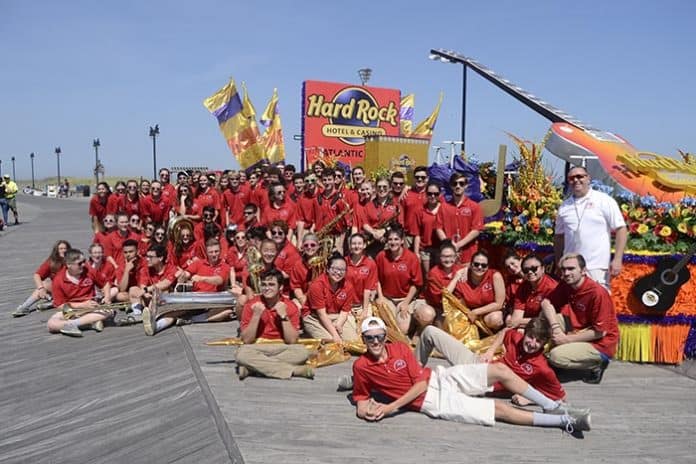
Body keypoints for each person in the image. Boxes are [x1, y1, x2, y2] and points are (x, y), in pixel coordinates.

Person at [352, 317, 590, 432]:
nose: (375, 341)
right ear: (363, 339)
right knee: (498, 410)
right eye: (370, 337)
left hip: (437, 378)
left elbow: (421, 382)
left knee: (500, 369)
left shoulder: (400, 349)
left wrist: (390, 407)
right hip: (434, 402)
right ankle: (564, 421)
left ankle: (550, 406)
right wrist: (367, 412)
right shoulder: (361, 367)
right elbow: (361, 400)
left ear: (385, 336)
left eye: (379, 336)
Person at [415, 318, 566, 405]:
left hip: (478, 383)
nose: (532, 343)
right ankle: (414, 373)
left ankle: (410, 385)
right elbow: (505, 332)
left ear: (544, 343)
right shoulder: (517, 338)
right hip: (476, 363)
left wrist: (529, 399)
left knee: (434, 385)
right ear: (525, 333)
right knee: (430, 331)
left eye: (538, 341)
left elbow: (561, 398)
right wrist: (491, 350)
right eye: (530, 337)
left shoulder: (542, 368)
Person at [540, 253, 619, 384]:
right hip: (578, 329)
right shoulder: (567, 284)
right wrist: (555, 328)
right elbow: (546, 303)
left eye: (571, 269)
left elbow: (600, 332)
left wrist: (566, 339)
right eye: (564, 269)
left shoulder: (597, 293)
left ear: (583, 271)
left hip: (599, 342)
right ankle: (551, 357)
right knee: (546, 320)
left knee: (556, 357)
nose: (566, 273)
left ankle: (596, 364)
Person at [554, 165, 627, 289]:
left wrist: (618, 259)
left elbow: (621, 229)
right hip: (571, 267)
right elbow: (559, 237)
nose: (576, 180)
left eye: (579, 176)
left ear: (588, 178)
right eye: (571, 178)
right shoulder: (564, 207)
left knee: (598, 304)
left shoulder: (604, 200)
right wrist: (558, 262)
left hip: (597, 265)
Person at [235, 269, 314, 380]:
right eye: (264, 285)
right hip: (256, 346)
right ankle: (294, 371)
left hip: (282, 346)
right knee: (241, 354)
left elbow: (291, 340)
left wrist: (283, 315)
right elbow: (247, 340)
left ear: (280, 287)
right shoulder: (252, 304)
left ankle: (252, 369)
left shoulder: (290, 306)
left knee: (302, 352)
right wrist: (256, 315)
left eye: (271, 285)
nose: (267, 288)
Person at [46, 249, 114, 337]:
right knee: (51, 324)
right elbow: (59, 305)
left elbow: (105, 283)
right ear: (68, 265)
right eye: (79, 263)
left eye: (84, 261)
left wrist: (107, 297)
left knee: (109, 311)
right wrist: (82, 305)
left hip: (92, 307)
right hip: (72, 310)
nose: (83, 265)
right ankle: (87, 323)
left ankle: (72, 324)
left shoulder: (89, 270)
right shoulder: (58, 280)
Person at [303, 254, 359, 343]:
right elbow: (321, 314)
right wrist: (335, 335)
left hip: (336, 316)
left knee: (354, 342)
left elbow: (345, 310)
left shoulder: (348, 286)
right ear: (328, 269)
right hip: (315, 317)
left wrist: (339, 325)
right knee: (332, 343)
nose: (338, 272)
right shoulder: (317, 285)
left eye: (342, 270)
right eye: (335, 269)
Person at [446, 250, 506, 332]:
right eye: (476, 264)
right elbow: (447, 295)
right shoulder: (463, 276)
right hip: (469, 312)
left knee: (495, 319)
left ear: (488, 267)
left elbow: (499, 304)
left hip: (489, 312)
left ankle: (494, 334)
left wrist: (476, 312)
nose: (480, 267)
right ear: (471, 264)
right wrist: (456, 277)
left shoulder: (495, 276)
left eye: (484, 265)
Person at [13, 240, 72, 316]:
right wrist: (41, 288)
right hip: (60, 289)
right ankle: (25, 307)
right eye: (61, 249)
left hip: (73, 289)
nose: (64, 250)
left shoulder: (73, 259)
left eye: (65, 248)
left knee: (47, 285)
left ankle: (52, 303)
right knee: (43, 285)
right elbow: (37, 275)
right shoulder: (52, 261)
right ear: (56, 250)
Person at [436, 172, 483, 265]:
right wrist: (449, 245)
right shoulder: (443, 207)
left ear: (466, 186)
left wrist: (458, 245)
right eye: (455, 183)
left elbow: (476, 230)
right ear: (451, 186)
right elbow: (438, 228)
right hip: (449, 257)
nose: (458, 186)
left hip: (469, 254)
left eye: (461, 183)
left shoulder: (474, 207)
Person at [509, 253, 558, 329]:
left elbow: (546, 320)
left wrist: (519, 322)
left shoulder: (552, 288)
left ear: (543, 269)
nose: (530, 272)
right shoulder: (523, 286)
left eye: (534, 268)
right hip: (528, 324)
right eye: (526, 270)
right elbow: (515, 319)